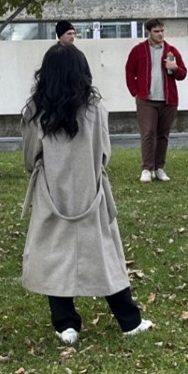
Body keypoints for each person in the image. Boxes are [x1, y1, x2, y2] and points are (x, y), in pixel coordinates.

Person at [21, 43, 152, 343]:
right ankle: (128, 319)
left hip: (52, 189)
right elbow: (104, 152)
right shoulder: (96, 108)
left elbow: (30, 156)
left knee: (54, 253)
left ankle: (66, 323)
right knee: (104, 253)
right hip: (91, 189)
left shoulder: (35, 111)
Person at [123, 19, 188, 183]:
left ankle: (159, 168)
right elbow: (129, 71)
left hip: (168, 100)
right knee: (148, 133)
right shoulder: (138, 50)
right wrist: (135, 92)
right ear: (149, 32)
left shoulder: (171, 51)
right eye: (156, 31)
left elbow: (182, 74)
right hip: (147, 99)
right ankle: (146, 169)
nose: (160, 34)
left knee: (163, 135)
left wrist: (175, 68)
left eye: (162, 31)